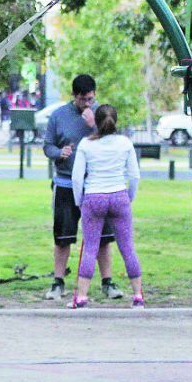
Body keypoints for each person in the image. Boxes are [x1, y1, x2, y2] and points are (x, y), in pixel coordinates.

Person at [42, 74, 123, 301]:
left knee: (104, 238)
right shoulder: (58, 116)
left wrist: (93, 125)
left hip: (97, 185)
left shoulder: (103, 114)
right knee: (63, 237)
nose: (87, 104)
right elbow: (47, 145)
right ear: (74, 96)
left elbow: (116, 142)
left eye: (90, 99)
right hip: (66, 184)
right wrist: (59, 153)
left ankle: (107, 282)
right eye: (83, 100)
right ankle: (58, 283)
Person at [70, 104, 143, 308]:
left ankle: (82, 297)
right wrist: (129, 196)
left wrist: (79, 201)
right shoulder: (125, 143)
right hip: (118, 195)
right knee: (127, 247)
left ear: (96, 121)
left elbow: (77, 178)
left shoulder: (86, 144)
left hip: (94, 197)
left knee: (90, 248)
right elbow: (134, 175)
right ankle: (138, 296)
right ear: (115, 121)